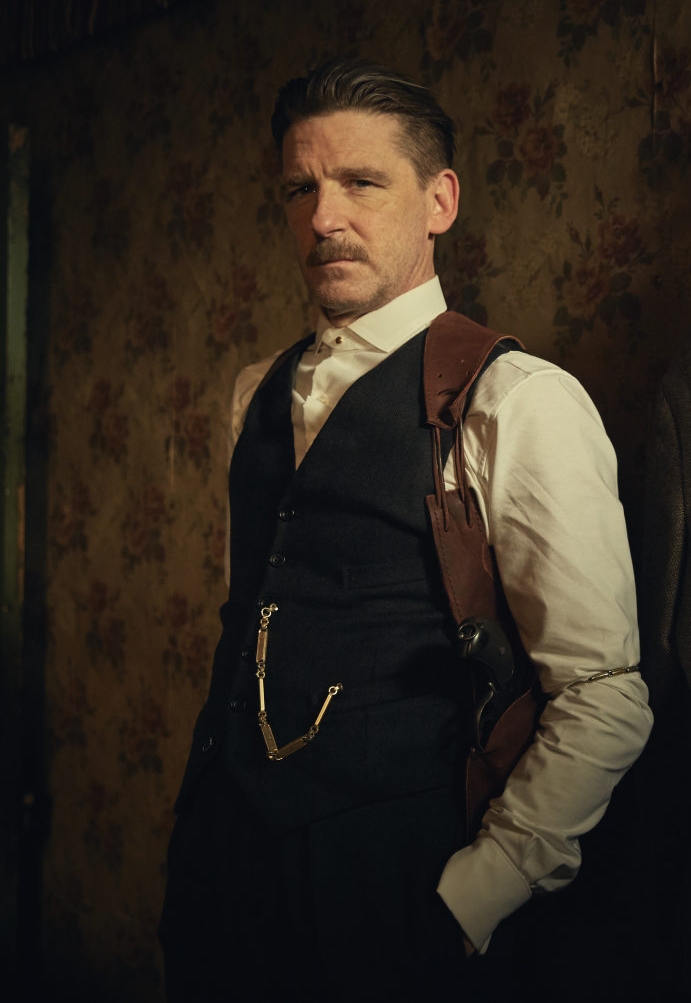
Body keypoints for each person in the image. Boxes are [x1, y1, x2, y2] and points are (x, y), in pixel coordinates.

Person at [159, 56, 653, 1003]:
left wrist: (469, 902)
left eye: (360, 182)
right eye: (300, 189)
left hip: (395, 897)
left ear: (440, 201)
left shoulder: (517, 400)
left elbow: (602, 695)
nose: (323, 218)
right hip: (222, 882)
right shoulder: (253, 393)